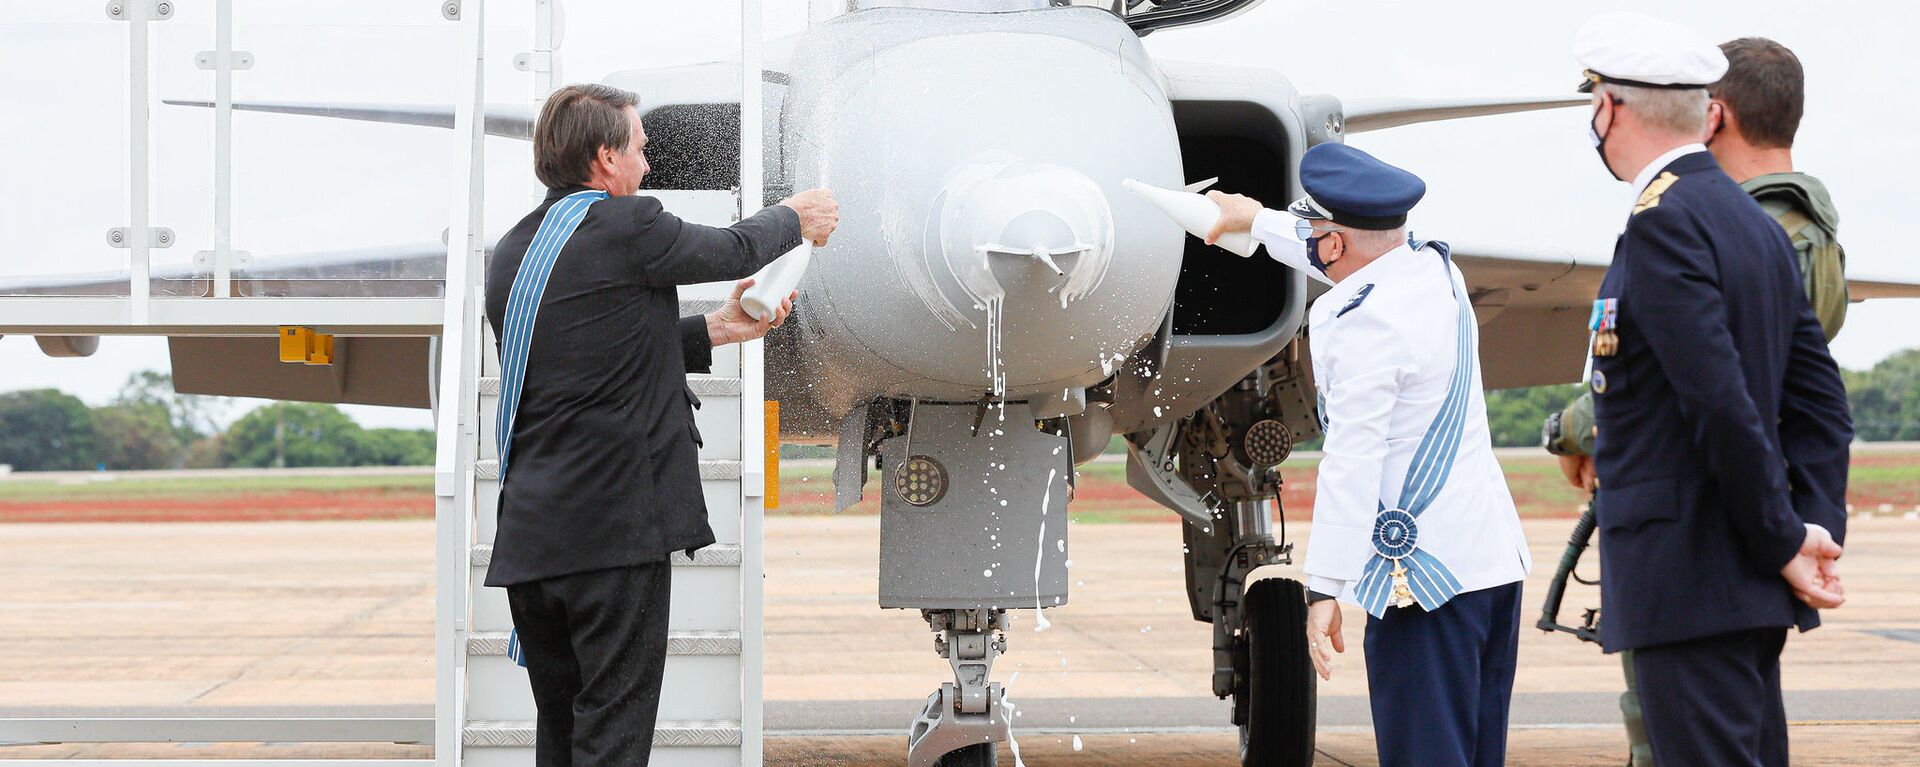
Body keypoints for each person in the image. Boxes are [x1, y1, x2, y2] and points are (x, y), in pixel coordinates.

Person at [482, 82, 837, 766]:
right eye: (640, 150)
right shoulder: (628, 226)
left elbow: (586, 357)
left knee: (562, 735)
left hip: (534, 545)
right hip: (612, 539)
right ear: (605, 158)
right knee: (613, 738)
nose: (647, 167)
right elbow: (735, 249)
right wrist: (795, 217)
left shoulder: (515, 251)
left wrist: (718, 328)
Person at [1540, 34, 1853, 766]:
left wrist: (1785, 537)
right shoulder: (1755, 223)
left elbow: (1720, 403)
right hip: (1742, 580)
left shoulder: (1665, 222)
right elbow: (1822, 408)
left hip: (1689, 582)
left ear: (1610, 106)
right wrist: (1812, 526)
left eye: (1594, 102)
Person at [1206, 143, 1533, 767]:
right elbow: (1332, 248)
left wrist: (1324, 588)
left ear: (1333, 244)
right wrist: (1252, 218)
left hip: (1425, 585)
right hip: (1489, 565)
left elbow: (1352, 463)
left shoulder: (1363, 322)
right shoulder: (1435, 270)